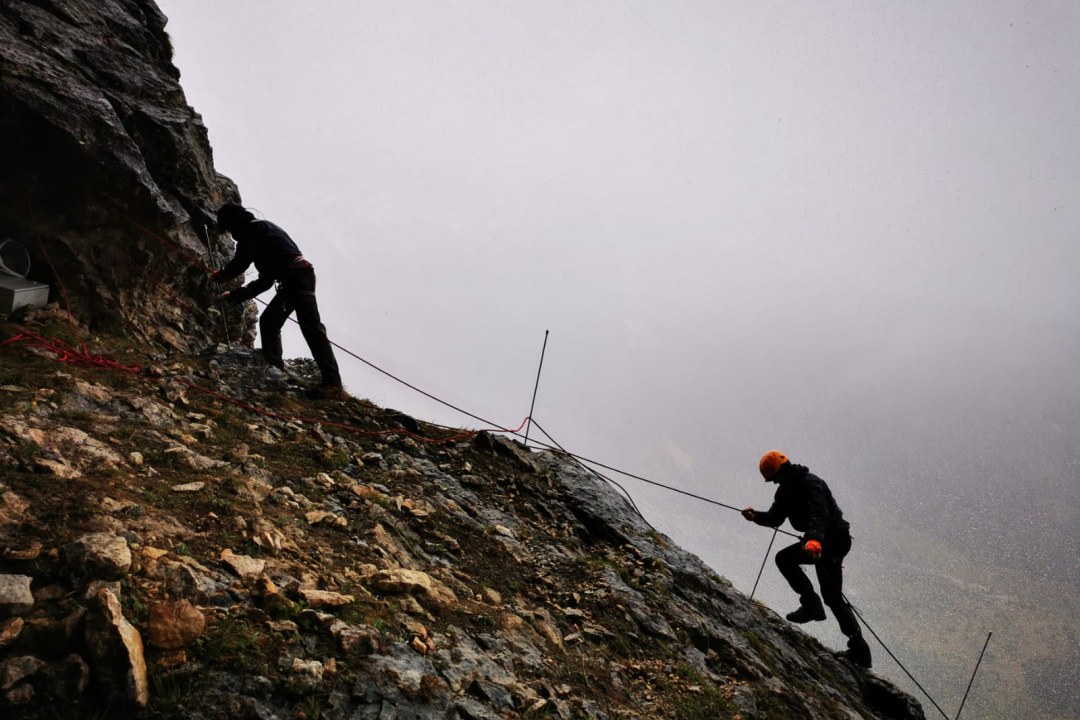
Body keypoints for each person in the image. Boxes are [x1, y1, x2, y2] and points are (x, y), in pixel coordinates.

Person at [742, 450, 872, 668]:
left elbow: (818, 513)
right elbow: (775, 518)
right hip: (818, 541)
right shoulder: (785, 491)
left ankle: (858, 649)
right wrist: (756, 517)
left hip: (834, 542)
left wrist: (813, 540)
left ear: (782, 471)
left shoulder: (811, 484)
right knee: (785, 560)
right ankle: (812, 605)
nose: (775, 483)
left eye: (775, 479)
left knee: (831, 595)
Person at [210, 203, 344, 400]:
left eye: (229, 228)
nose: (231, 234)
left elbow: (241, 262)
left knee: (311, 328)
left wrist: (221, 276)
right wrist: (236, 295)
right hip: (297, 277)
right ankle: (275, 370)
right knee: (271, 322)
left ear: (234, 222)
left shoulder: (254, 231)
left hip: (296, 278)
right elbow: (265, 281)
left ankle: (332, 383)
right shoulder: (263, 231)